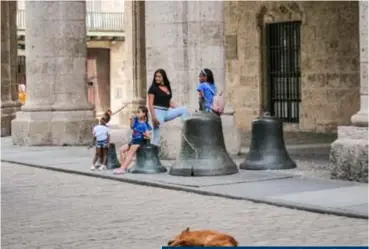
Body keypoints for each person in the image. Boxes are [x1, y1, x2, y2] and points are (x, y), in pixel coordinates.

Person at [147, 69, 190, 146]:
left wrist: (177, 108)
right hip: (157, 113)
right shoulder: (153, 88)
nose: (157, 78)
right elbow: (150, 104)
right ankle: (153, 155)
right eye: (156, 76)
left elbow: (168, 102)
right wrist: (154, 117)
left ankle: (187, 132)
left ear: (163, 77)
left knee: (183, 110)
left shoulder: (167, 87)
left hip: (167, 112)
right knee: (156, 138)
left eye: (159, 76)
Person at [113, 106, 152, 175]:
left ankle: (122, 168)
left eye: (139, 112)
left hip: (138, 140)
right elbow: (132, 127)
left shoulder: (144, 124)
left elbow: (148, 135)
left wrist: (142, 133)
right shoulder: (136, 120)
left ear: (144, 114)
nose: (137, 113)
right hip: (133, 140)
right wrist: (131, 120)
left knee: (130, 154)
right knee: (122, 149)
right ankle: (123, 166)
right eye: (137, 112)